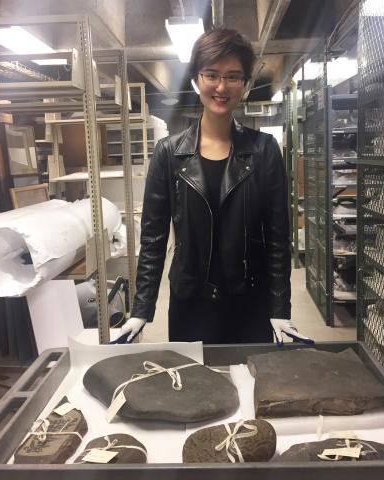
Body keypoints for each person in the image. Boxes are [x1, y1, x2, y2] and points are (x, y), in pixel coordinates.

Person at [118, 28, 313, 346]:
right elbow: (153, 239)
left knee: (250, 388)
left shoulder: (264, 151)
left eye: (234, 77)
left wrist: (280, 309)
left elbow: (278, 239)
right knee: (194, 389)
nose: (222, 87)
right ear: (196, 79)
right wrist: (141, 309)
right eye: (212, 74)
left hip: (249, 300)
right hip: (190, 301)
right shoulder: (169, 153)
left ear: (245, 84)